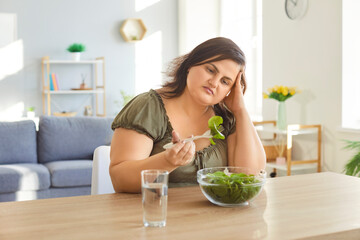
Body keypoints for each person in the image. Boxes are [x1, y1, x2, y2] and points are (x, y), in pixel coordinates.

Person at [110, 37, 266, 193]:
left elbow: (250, 178)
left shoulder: (227, 118)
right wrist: (167, 161)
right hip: (155, 212)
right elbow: (120, 180)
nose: (214, 82)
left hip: (214, 215)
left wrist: (241, 111)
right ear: (190, 65)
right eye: (210, 70)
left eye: (225, 82)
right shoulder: (147, 107)